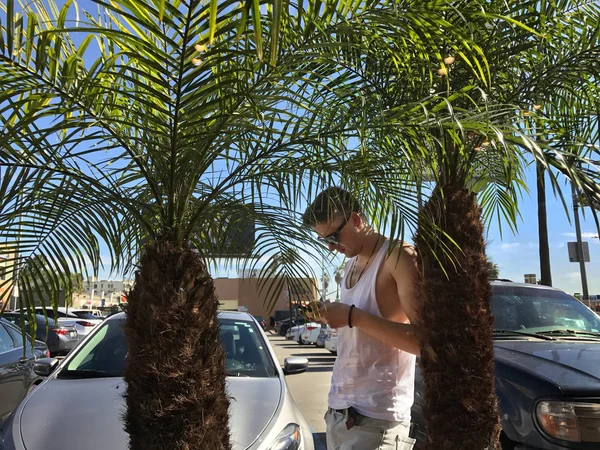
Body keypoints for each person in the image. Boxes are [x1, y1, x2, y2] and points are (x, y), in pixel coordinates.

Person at [302, 187, 421, 450]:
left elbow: (424, 341)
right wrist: (331, 314)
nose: (332, 247)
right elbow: (358, 331)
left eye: (334, 236)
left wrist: (353, 316)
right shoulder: (350, 265)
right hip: (339, 413)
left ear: (356, 220)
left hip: (378, 420)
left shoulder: (399, 256)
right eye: (325, 241)